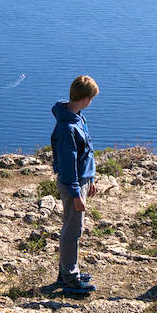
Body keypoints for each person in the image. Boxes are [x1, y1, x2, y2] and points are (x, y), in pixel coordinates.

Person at [51, 75, 99, 293]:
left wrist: (91, 179)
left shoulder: (78, 117)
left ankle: (67, 270)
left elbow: (85, 153)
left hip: (82, 180)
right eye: (91, 98)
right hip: (73, 184)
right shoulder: (67, 128)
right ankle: (70, 278)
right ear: (85, 98)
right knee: (72, 230)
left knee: (73, 227)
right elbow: (68, 163)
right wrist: (77, 192)